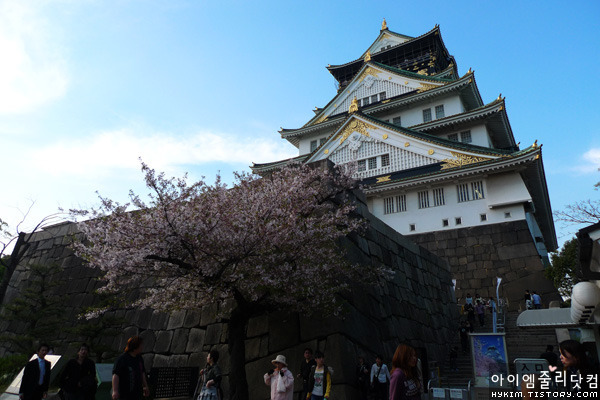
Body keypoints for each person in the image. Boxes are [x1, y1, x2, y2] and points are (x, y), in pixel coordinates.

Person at [112, 336, 149, 400]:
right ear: (135, 347)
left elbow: (142, 373)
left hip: (138, 393)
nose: (142, 347)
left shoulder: (139, 358)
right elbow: (116, 375)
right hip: (125, 393)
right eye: (140, 345)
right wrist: (115, 391)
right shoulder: (122, 359)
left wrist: (145, 386)